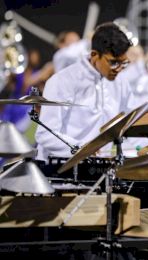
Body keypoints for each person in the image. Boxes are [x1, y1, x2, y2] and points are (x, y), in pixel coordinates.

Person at [35, 22, 133, 161]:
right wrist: (82, 148)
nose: (118, 69)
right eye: (113, 62)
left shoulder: (121, 83)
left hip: (101, 168)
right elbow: (46, 134)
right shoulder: (62, 81)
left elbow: (130, 121)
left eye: (124, 63)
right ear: (94, 55)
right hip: (61, 173)